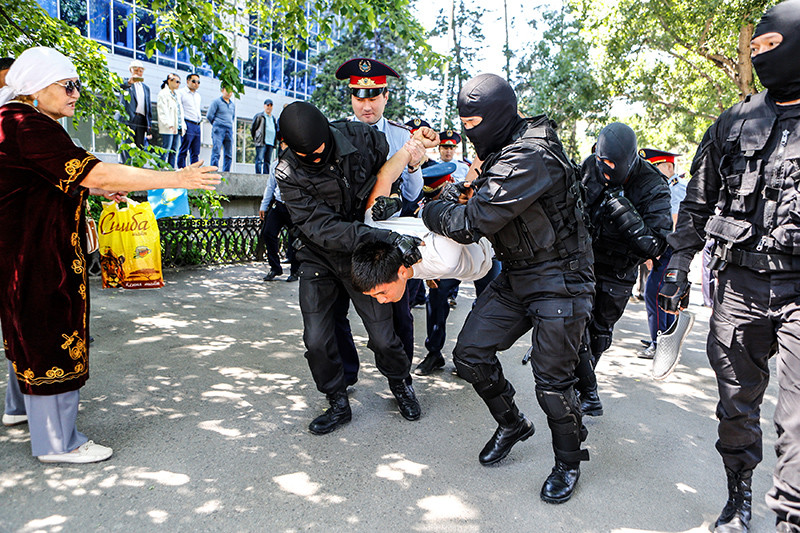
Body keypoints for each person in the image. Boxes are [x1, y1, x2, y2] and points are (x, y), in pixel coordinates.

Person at [0, 46, 220, 463]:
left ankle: (19, 409)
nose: (75, 93)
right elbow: (94, 168)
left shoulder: (15, 120)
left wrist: (93, 188)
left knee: (25, 325)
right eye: (67, 85)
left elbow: (52, 177)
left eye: (76, 85)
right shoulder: (28, 125)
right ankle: (57, 443)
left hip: (21, 252)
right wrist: (176, 177)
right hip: (39, 255)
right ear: (35, 87)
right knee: (49, 327)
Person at [659, 1, 800, 530]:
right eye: (755, 49)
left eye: (773, 47)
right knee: (736, 405)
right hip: (738, 285)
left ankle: (790, 517)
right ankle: (737, 498)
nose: (762, 58)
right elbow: (697, 203)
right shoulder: (735, 120)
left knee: (798, 419)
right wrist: (676, 264)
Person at [422, 73, 593, 503]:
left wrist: (432, 209)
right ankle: (513, 423)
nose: (468, 130)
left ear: (499, 114)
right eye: (462, 122)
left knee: (553, 383)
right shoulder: (502, 151)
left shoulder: (529, 155)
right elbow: (478, 200)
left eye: (475, 120)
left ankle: (568, 461)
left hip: (561, 279)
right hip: (518, 274)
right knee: (470, 354)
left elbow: (468, 224)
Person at [274, 101, 436, 435]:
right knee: (317, 337)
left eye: (321, 148)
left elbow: (387, 174)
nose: (317, 157)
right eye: (308, 155)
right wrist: (384, 234)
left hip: (363, 249)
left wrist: (389, 203)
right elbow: (325, 229)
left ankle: (400, 382)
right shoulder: (287, 171)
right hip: (319, 253)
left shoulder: (362, 137)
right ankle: (336, 400)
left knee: (383, 332)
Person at [332, 58, 423, 386]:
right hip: (346, 234)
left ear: (385, 97)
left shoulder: (401, 136)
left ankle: (401, 382)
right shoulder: (336, 134)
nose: (366, 105)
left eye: (373, 97)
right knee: (334, 314)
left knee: (399, 316)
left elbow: (414, 193)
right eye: (359, 97)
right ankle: (346, 376)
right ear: (351, 98)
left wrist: (412, 166)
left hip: (389, 237)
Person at [571, 124, 672, 417]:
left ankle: (587, 392)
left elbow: (655, 246)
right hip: (585, 262)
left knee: (599, 332)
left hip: (618, 271)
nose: (606, 168)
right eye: (602, 160)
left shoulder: (653, 185)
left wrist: (620, 206)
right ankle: (583, 390)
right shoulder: (590, 166)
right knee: (571, 325)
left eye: (613, 164)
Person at [638, 148, 687, 358]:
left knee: (655, 294)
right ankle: (662, 338)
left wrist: (657, 251)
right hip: (669, 250)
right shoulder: (667, 186)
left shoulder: (675, 188)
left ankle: (659, 343)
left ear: (668, 166)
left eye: (656, 166)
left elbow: (674, 222)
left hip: (668, 250)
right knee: (662, 294)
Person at [260, 140, 298, 282]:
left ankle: (295, 270)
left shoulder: (300, 163)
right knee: (268, 232)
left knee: (295, 238)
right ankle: (275, 267)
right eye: (284, 143)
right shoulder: (276, 163)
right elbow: (270, 186)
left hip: (295, 207)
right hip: (279, 204)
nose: (286, 146)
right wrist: (263, 206)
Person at [118, 59, 151, 161]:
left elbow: (148, 107)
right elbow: (117, 86)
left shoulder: (146, 88)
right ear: (131, 70)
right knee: (126, 146)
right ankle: (124, 170)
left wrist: (149, 125)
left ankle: (138, 171)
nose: (139, 72)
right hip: (128, 119)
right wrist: (129, 82)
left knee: (140, 148)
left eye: (141, 70)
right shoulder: (126, 83)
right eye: (136, 70)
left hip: (141, 120)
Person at [156, 73, 185, 168]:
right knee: (166, 149)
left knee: (174, 150)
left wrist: (183, 126)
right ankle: (160, 170)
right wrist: (169, 124)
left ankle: (171, 170)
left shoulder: (177, 95)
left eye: (179, 82)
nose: (178, 84)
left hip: (177, 127)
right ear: (169, 80)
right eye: (176, 81)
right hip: (168, 127)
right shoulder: (163, 94)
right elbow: (162, 111)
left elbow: (180, 112)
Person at [206, 86, 236, 172]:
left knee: (229, 153)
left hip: (229, 129)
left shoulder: (232, 105)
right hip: (218, 129)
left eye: (231, 91)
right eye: (227, 90)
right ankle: (213, 171)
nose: (229, 93)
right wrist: (217, 124)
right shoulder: (216, 102)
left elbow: (232, 117)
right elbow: (209, 116)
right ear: (222, 90)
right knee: (216, 151)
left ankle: (227, 172)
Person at [177, 73, 202, 168]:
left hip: (197, 124)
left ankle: (194, 171)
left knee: (195, 151)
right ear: (188, 81)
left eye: (198, 82)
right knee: (184, 149)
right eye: (194, 81)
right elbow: (179, 109)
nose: (196, 84)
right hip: (187, 123)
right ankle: (181, 169)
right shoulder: (181, 93)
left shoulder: (198, 96)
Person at [251, 99, 278, 174]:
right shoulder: (259, 116)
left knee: (267, 161)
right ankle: (258, 174)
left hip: (270, 142)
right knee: (259, 159)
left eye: (270, 105)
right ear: (264, 106)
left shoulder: (273, 118)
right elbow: (253, 128)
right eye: (267, 105)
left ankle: (266, 175)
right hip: (262, 141)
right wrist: (256, 138)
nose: (269, 107)